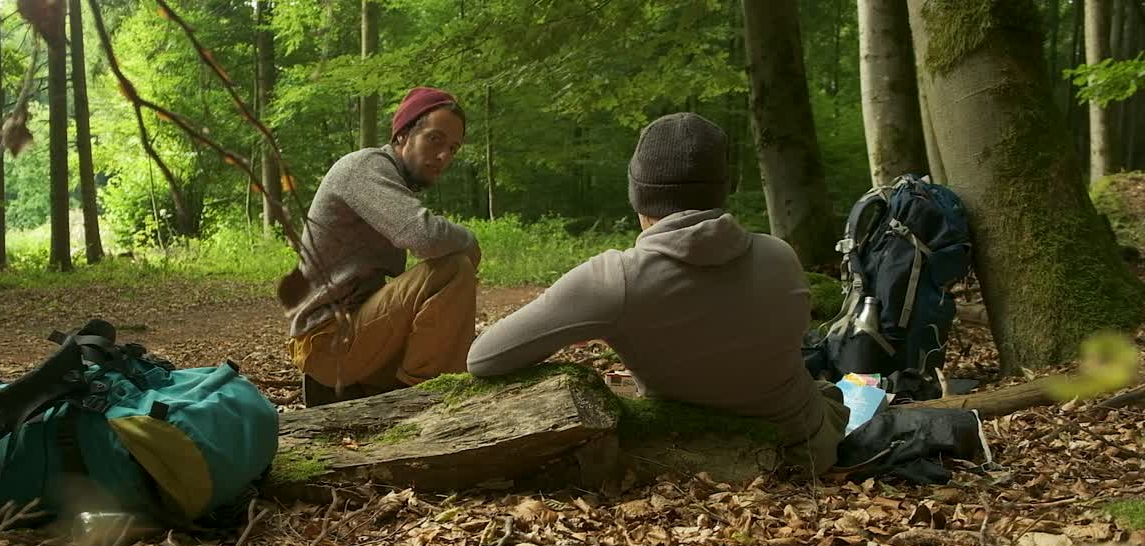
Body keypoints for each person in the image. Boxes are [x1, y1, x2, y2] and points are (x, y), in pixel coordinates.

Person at [467, 112, 849, 470]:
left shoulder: (615, 278)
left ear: (638, 195)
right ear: (720, 190)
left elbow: (484, 358)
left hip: (699, 456)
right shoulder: (780, 256)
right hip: (811, 448)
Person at [279, 87, 481, 407]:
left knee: (467, 349)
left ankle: (389, 392)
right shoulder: (365, 167)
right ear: (402, 135)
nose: (444, 155)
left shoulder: (390, 180)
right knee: (453, 269)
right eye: (435, 139)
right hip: (328, 342)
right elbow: (422, 236)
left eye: (453, 148)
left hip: (351, 334)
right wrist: (470, 242)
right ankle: (416, 405)